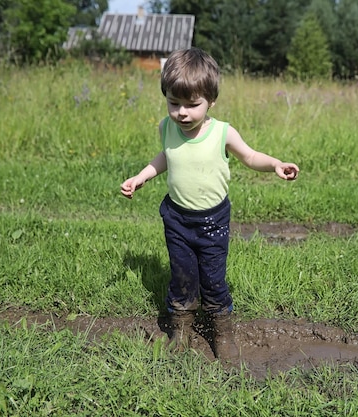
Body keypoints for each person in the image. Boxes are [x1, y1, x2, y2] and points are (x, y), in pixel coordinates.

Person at [120, 47, 299, 362]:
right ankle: (181, 331)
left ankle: (222, 331)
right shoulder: (166, 127)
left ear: (210, 101)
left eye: (192, 105)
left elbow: (250, 156)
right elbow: (167, 156)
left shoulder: (221, 132)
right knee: (182, 275)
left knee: (213, 278)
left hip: (213, 221)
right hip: (176, 217)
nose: (182, 113)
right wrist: (142, 176)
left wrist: (274, 164)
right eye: (174, 103)